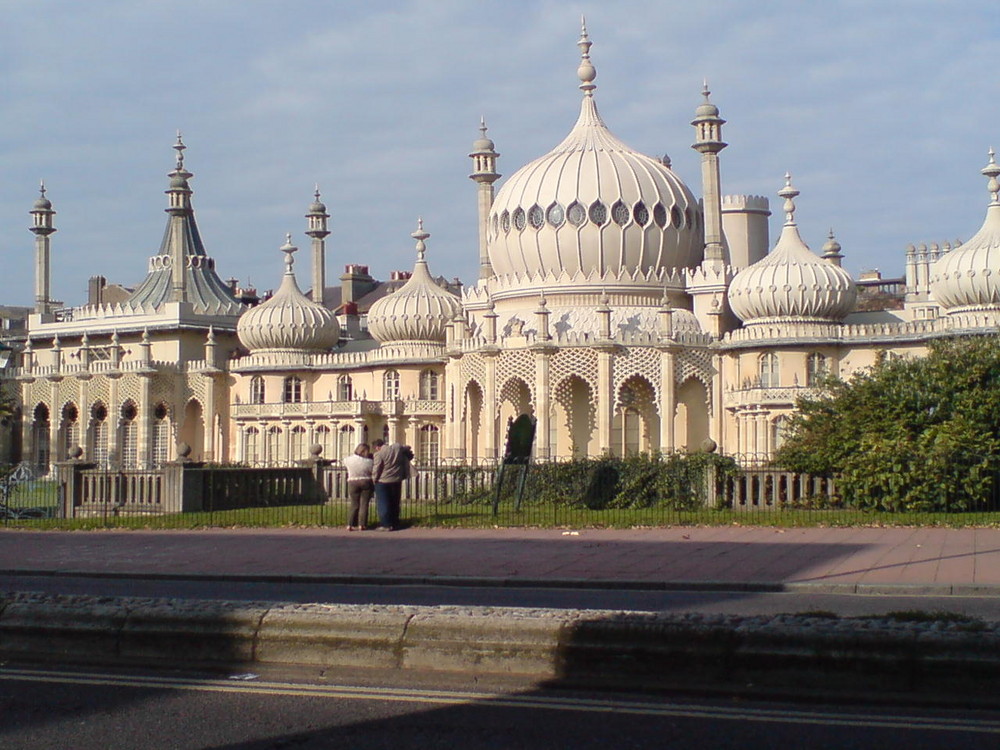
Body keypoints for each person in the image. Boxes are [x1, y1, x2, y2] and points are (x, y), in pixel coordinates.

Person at [371, 438, 413, 531]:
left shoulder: (379, 454)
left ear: (377, 447)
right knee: (395, 502)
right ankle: (395, 522)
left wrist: (374, 479)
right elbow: (407, 447)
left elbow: (377, 469)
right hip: (396, 479)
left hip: (383, 481)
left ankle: (386, 524)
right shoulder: (397, 448)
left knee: (383, 503)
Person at [342, 443, 374, 531]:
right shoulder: (369, 462)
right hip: (366, 480)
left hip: (353, 481)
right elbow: (372, 471)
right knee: (364, 504)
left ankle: (350, 524)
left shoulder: (348, 460)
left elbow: (343, 462)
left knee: (354, 504)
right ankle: (362, 524)